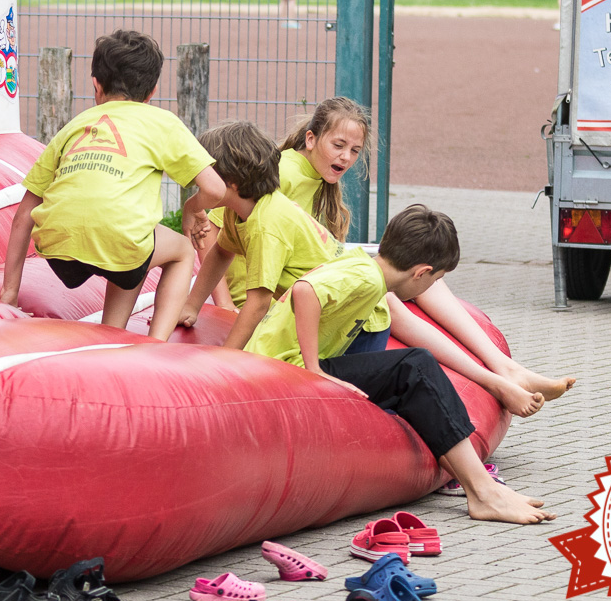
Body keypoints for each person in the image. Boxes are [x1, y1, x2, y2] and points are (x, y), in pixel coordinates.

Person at [243, 97, 576, 416]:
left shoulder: (319, 178)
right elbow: (231, 226)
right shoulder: (286, 172)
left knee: (420, 274)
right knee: (385, 290)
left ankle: (505, 367)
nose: (345, 158)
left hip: (316, 277)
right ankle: (495, 378)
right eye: (338, 146)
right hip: (293, 292)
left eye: (355, 151)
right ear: (311, 139)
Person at [245, 204, 555, 525]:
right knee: (415, 366)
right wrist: (314, 368)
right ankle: (483, 492)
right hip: (283, 374)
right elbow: (304, 290)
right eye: (436, 279)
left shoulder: (365, 269)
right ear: (421, 272)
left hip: (284, 369)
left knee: (410, 369)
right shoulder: (365, 277)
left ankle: (483, 487)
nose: (431, 287)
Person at [0, 30, 225, 340]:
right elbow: (215, 189)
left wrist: (9, 294)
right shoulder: (162, 122)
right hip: (122, 244)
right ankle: (155, 344)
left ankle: (110, 333)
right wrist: (192, 208)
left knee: (132, 243)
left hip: (56, 248)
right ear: (153, 91)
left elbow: (24, 215)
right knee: (179, 249)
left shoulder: (74, 125)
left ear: (96, 84)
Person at [179, 121, 338, 350]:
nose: (200, 184)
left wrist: (227, 354)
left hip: (340, 314)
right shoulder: (239, 212)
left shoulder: (266, 223)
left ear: (231, 182)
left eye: (206, 177)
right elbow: (221, 254)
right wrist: (191, 307)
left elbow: (259, 303)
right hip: (316, 307)